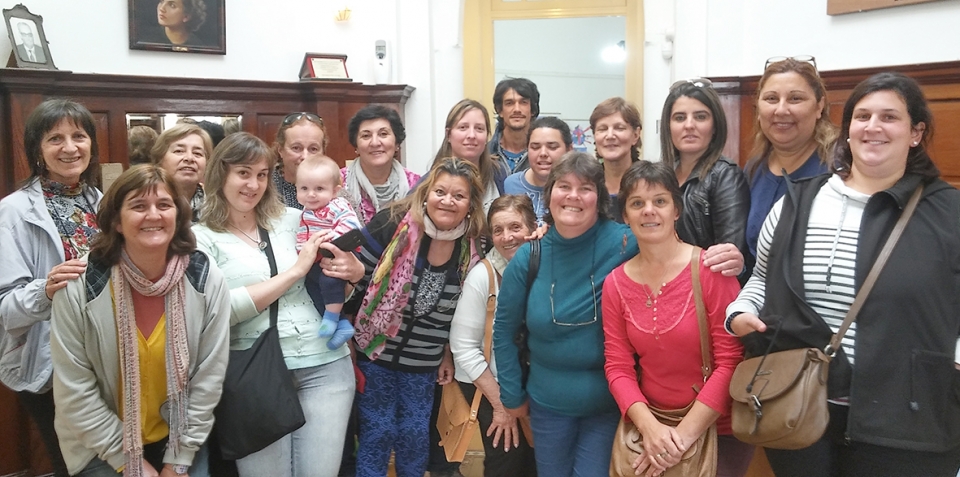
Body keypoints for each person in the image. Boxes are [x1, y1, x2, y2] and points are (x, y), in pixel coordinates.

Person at [726, 72, 960, 476]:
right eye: (862, 116)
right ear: (847, 130)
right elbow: (761, 278)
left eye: (889, 117)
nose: (873, 127)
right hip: (800, 413)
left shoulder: (948, 212)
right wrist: (738, 313)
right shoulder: (796, 202)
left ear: (916, 133)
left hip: (907, 421)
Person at [492, 152, 744, 477]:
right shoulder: (532, 255)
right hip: (550, 404)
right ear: (548, 194)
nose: (573, 196)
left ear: (599, 199)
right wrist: (512, 397)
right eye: (563, 186)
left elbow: (666, 246)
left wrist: (731, 258)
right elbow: (504, 330)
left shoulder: (623, 241)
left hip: (611, 407)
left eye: (585, 188)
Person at [50, 164, 230, 477]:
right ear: (116, 221)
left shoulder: (204, 277)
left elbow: (208, 380)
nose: (153, 215)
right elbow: (74, 393)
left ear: (178, 215)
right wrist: (131, 464)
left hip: (181, 436)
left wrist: (177, 462)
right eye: (138, 206)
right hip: (99, 444)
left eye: (164, 205)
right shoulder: (80, 285)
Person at [194, 132, 354, 477]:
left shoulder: (296, 218)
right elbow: (215, 311)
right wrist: (294, 272)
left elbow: (333, 283)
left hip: (325, 364)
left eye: (262, 174)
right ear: (221, 174)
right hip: (254, 372)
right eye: (243, 173)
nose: (253, 185)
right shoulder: (200, 237)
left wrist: (352, 273)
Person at [602, 160, 752, 477]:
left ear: (676, 210)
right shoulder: (615, 284)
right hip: (649, 428)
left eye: (660, 201)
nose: (649, 211)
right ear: (625, 215)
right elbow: (618, 366)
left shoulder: (712, 271)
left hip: (718, 429)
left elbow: (731, 361)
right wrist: (650, 429)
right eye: (637, 204)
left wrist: (680, 440)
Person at [347, 158, 486, 477]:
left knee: (414, 437)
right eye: (440, 191)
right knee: (377, 432)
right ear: (426, 194)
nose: (447, 201)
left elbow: (464, 312)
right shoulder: (391, 223)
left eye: (459, 195)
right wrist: (347, 340)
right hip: (374, 353)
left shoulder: (474, 245)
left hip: (425, 364)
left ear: (470, 205)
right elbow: (355, 281)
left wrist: (447, 353)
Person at [0, 98, 102, 477]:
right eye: (55, 138)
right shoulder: (13, 212)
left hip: (106, 357)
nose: (70, 147)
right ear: (37, 150)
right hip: (51, 365)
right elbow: (5, 308)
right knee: (76, 467)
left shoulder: (103, 203)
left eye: (79, 136)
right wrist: (46, 289)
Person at [449, 194, 539, 477]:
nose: (507, 237)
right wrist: (502, 405)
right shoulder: (483, 277)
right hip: (489, 382)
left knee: (536, 463)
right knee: (507, 460)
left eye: (515, 227)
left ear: (533, 228)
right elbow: (463, 348)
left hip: (530, 383)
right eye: (498, 230)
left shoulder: (544, 268)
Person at [743, 56, 838, 266]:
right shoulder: (754, 168)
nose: (781, 110)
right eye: (771, 99)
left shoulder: (839, 167)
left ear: (819, 106)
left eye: (795, 99)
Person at [659, 79, 751, 283]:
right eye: (680, 118)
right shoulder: (661, 175)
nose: (689, 125)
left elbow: (726, 257)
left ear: (715, 125)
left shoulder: (726, 176)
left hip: (704, 288)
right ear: (668, 126)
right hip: (662, 282)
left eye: (700, 117)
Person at [295, 156, 362, 350]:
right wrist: (303, 251)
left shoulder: (337, 205)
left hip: (342, 252)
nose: (311, 195)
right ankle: (341, 324)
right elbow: (303, 235)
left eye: (319, 189)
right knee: (311, 285)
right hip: (319, 257)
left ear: (334, 191)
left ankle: (332, 318)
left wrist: (331, 238)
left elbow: (351, 224)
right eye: (304, 188)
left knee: (329, 281)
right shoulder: (306, 212)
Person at [341, 105, 421, 224]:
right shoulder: (336, 183)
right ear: (356, 145)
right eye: (366, 136)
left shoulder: (417, 186)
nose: (375, 143)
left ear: (397, 143)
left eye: (383, 134)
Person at [429, 99, 508, 213]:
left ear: (487, 136)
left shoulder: (498, 173)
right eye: (463, 127)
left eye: (479, 129)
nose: (471, 135)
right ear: (448, 134)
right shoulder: (431, 180)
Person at [503, 117, 573, 223]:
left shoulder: (577, 188)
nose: (543, 153)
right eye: (535, 147)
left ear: (569, 150)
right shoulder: (510, 184)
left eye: (552, 147)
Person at [590, 97, 642, 222]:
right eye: (602, 129)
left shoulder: (651, 181)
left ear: (635, 135)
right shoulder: (587, 183)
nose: (610, 136)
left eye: (619, 128)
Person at [151, 123, 213, 222]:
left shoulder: (218, 207)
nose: (189, 158)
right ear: (160, 158)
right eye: (179, 151)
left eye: (197, 153)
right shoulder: (146, 203)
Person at [273, 112, 328, 209]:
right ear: (281, 150)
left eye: (313, 149)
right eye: (296, 148)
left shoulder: (333, 190)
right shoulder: (264, 188)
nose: (305, 157)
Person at [488, 78, 541, 173]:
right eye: (509, 103)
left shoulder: (544, 155)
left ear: (532, 110)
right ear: (500, 110)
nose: (517, 109)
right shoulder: (484, 154)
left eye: (523, 102)